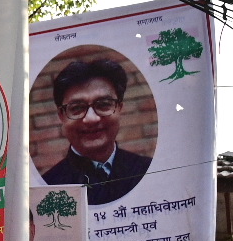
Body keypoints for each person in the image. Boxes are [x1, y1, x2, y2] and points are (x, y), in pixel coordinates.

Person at [40, 56, 151, 205]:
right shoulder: (46, 188)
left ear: (119, 109)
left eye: (103, 104)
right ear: (61, 116)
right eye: (77, 108)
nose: (91, 119)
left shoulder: (147, 171)